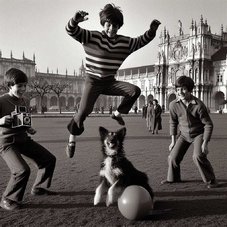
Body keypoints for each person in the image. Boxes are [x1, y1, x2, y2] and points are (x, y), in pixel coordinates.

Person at [65, 3, 161, 158]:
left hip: (109, 81)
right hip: (93, 81)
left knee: (134, 91)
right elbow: (71, 31)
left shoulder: (124, 43)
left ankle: (117, 113)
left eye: (115, 26)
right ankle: (71, 139)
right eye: (108, 25)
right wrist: (75, 21)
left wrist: (151, 31)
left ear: (119, 27)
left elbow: (141, 41)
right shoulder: (92, 37)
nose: (111, 29)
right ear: (104, 23)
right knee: (83, 112)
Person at [0, 68, 56, 211]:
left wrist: (28, 128)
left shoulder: (24, 101)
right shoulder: (1, 101)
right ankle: (8, 199)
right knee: (22, 170)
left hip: (23, 139)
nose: (23, 89)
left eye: (25, 85)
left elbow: (22, 120)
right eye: (19, 86)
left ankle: (38, 188)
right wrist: (0, 120)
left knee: (48, 159)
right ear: (10, 86)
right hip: (7, 143)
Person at [161, 76, 218, 188]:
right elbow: (173, 123)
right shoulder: (173, 105)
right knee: (172, 157)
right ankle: (173, 178)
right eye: (177, 90)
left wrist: (205, 143)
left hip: (198, 134)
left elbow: (208, 124)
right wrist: (173, 141)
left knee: (197, 156)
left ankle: (211, 180)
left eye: (183, 89)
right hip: (183, 135)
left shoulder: (199, 105)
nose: (180, 92)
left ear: (190, 89)